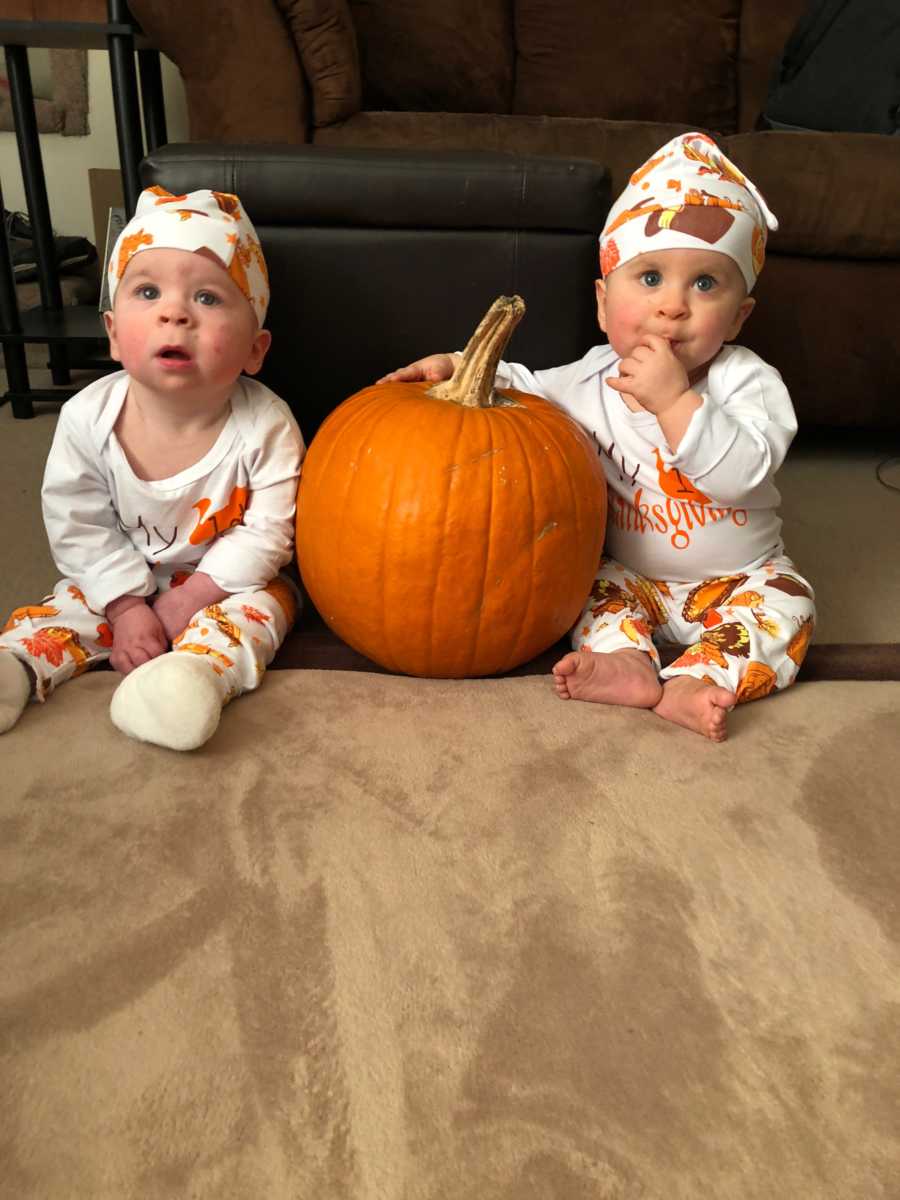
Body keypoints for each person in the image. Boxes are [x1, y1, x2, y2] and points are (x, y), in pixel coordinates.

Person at [377, 133, 815, 742]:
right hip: (626, 573)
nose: (674, 307)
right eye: (652, 277)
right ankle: (629, 664)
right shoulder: (588, 379)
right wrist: (459, 363)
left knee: (791, 606)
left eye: (707, 285)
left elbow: (742, 474)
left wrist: (674, 401)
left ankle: (702, 674)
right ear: (604, 305)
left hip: (740, 576)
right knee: (576, 593)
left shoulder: (749, 383)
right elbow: (521, 384)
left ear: (741, 315)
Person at [0, 186, 305, 751]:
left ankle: (191, 681)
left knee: (264, 614)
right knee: (60, 610)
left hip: (225, 584)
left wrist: (192, 598)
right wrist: (124, 604)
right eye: (147, 291)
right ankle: (15, 668)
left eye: (209, 299)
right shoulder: (86, 417)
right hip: (115, 578)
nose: (174, 312)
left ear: (255, 349)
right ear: (114, 335)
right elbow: (79, 523)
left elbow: (270, 532)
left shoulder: (267, 425)